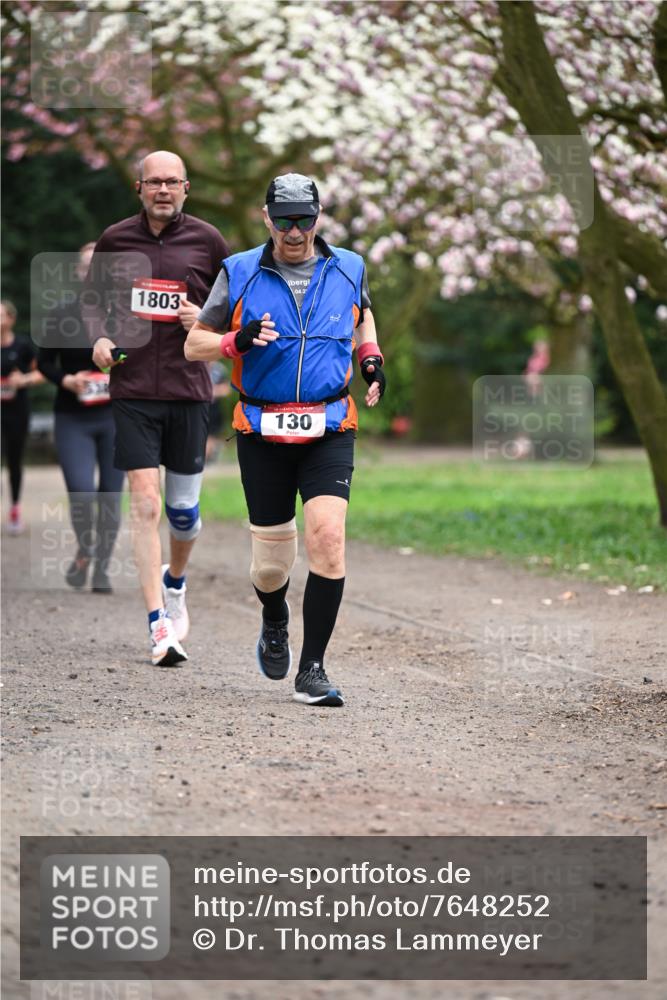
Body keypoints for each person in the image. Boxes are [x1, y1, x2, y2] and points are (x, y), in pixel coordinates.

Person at [185, 173, 385, 706]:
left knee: (328, 538)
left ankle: (312, 668)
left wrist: (371, 361)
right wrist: (235, 340)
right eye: (284, 220)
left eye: (305, 220)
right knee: (271, 566)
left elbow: (362, 320)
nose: (294, 232)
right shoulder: (240, 271)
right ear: (267, 216)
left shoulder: (350, 266)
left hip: (328, 424)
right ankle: (275, 618)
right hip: (262, 427)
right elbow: (193, 345)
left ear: (318, 217)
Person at [84, 150, 230, 665]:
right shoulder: (116, 239)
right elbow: (91, 299)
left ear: (186, 187)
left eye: (172, 182)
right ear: (140, 189)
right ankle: (158, 625)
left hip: (190, 391)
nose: (163, 190)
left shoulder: (209, 241)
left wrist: (205, 321)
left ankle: (176, 582)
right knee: (145, 503)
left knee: (183, 515)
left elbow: (233, 310)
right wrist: (98, 338)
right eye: (154, 182)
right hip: (133, 389)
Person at [37, 243, 125, 592]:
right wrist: (66, 380)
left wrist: (120, 367)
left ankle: (101, 567)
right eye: (87, 267)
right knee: (81, 492)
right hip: (73, 416)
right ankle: (86, 548)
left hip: (115, 417)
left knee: (110, 495)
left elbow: (142, 354)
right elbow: (43, 362)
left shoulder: (123, 315)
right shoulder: (61, 313)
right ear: (78, 273)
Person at [1, 300, 43, 534]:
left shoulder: (23, 345)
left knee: (14, 461)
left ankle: (15, 509)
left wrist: (23, 380)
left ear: (10, 319)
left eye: (0, 315)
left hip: (16, 412)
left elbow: (41, 372)